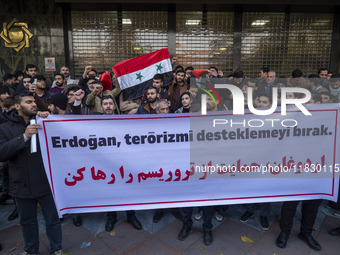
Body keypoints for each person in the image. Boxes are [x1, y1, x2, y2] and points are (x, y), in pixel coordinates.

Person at [0, 91, 63, 255]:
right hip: (21, 184)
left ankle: (57, 249)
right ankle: (31, 250)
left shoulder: (44, 121)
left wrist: (47, 117)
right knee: (28, 222)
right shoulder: (5, 127)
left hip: (45, 182)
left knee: (52, 220)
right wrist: (24, 137)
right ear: (17, 106)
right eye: (28, 102)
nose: (34, 104)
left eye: (34, 102)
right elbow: (2, 153)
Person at [96, 96, 143, 232]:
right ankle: (111, 216)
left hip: (124, 162)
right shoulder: (94, 122)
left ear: (114, 106)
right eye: (105, 104)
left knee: (128, 189)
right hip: (105, 163)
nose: (108, 106)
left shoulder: (124, 121)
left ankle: (131, 215)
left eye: (111, 103)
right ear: (101, 107)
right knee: (110, 190)